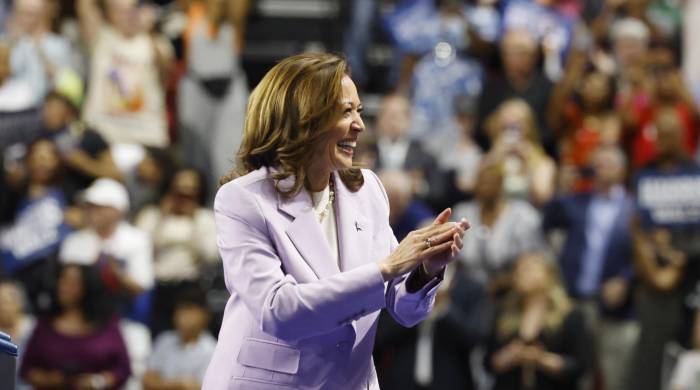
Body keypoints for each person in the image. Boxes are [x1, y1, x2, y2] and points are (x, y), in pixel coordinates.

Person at [203, 53, 469, 390]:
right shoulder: (243, 199)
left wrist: (425, 270)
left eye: (359, 110)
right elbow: (279, 311)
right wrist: (386, 268)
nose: (360, 124)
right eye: (346, 111)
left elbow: (403, 307)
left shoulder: (367, 188)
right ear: (304, 119)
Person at [543, 145, 638, 390]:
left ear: (622, 171)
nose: (601, 168)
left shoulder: (633, 207)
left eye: (608, 163)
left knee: (616, 375)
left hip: (614, 305)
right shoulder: (578, 201)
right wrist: (561, 186)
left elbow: (643, 252)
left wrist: (626, 279)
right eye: (597, 163)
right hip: (574, 299)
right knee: (577, 373)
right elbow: (547, 220)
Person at [485, 252, 593, 390]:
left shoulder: (571, 315)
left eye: (529, 268)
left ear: (548, 274)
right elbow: (488, 363)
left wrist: (541, 359)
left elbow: (581, 365)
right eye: (518, 269)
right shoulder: (504, 313)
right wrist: (510, 355)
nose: (521, 273)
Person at [20, 263, 131, 389]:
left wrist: (98, 381)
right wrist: (51, 379)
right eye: (62, 280)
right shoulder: (45, 324)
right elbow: (27, 369)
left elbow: (123, 369)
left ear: (88, 286)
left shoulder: (108, 323)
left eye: (72, 282)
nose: (64, 287)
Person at [135, 167, 218, 336]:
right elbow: (141, 250)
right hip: (157, 288)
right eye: (179, 192)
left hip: (189, 287)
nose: (183, 199)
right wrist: (163, 219)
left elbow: (211, 256)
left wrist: (194, 221)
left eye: (190, 193)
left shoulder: (205, 219)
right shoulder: (152, 216)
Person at [58, 178, 154, 322]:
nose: (90, 211)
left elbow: (142, 286)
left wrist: (116, 275)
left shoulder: (137, 240)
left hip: (125, 317)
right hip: (83, 319)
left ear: (117, 211)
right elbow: (65, 288)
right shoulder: (73, 242)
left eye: (98, 207)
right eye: (88, 206)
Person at [453, 159, 543, 293]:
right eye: (482, 182)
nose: (485, 187)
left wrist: (501, 285)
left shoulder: (522, 214)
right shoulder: (463, 212)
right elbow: (454, 259)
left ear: (501, 184)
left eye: (491, 182)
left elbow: (530, 261)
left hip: (510, 291)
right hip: (466, 290)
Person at [143, 287, 216, 390]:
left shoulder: (212, 350)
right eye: (181, 310)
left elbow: (199, 387)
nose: (185, 317)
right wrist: (180, 384)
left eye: (190, 310)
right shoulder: (164, 340)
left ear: (205, 315)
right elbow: (147, 381)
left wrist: (161, 384)